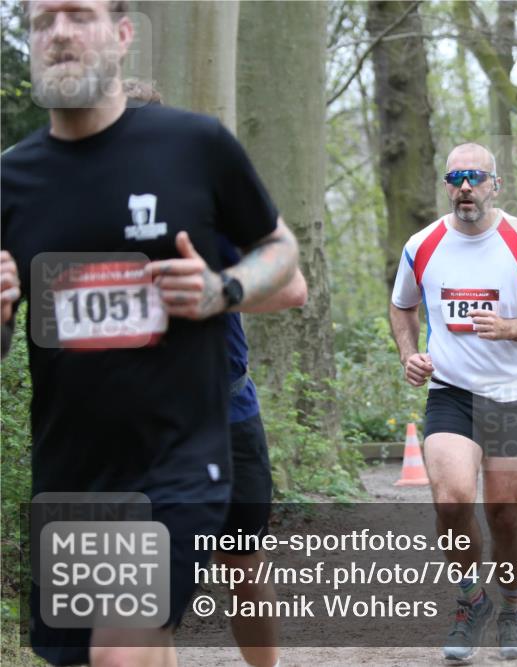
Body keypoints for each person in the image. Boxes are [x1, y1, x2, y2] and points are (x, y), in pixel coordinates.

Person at [1, 3, 301, 665]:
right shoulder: (11, 182)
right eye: (40, 20)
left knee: (128, 640)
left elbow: (283, 258)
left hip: (185, 456)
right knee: (109, 652)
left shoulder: (194, 148)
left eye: (78, 13)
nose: (58, 32)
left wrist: (222, 290)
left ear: (124, 33)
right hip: (74, 470)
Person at [123, 77, 307, 667]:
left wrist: (217, 291)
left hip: (224, 414)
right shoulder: (79, 213)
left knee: (242, 568)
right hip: (127, 424)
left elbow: (294, 289)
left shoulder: (203, 208)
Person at [389, 142, 517, 662]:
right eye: (455, 178)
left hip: (513, 395)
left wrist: (512, 328)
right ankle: (470, 603)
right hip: (452, 393)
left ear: (495, 184)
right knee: (450, 499)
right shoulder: (421, 245)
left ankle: (512, 608)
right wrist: (409, 354)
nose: (465, 186)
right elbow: (402, 307)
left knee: (506, 516)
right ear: (446, 186)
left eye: (475, 176)